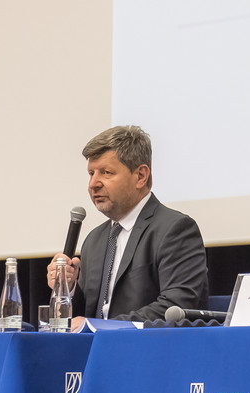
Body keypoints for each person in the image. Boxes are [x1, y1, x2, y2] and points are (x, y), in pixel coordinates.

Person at [46, 125, 208, 324]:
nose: (93, 184)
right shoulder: (94, 240)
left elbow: (176, 308)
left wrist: (105, 327)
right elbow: (85, 317)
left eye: (106, 172)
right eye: (91, 173)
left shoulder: (175, 229)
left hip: (146, 343)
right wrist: (68, 289)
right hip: (97, 344)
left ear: (140, 176)